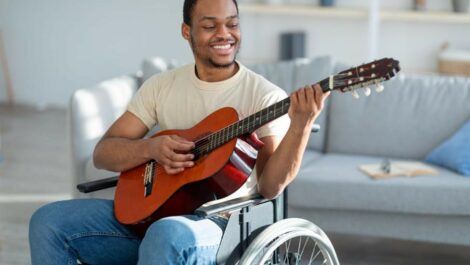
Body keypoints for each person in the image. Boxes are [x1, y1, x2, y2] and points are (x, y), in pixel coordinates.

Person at [28, 0, 329, 264]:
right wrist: (151, 149)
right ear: (187, 31)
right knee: (49, 221)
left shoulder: (264, 96)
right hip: (153, 215)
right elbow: (103, 153)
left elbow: (270, 186)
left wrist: (300, 126)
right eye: (210, 25)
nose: (224, 34)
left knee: (167, 233)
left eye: (232, 24)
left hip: (222, 227)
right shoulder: (162, 86)